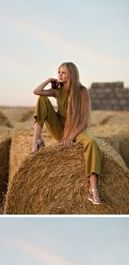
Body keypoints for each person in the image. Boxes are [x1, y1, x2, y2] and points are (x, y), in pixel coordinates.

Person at [31, 62, 102, 205]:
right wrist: (49, 81)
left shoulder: (82, 91)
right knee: (42, 99)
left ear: (71, 74)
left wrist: (71, 136)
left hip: (77, 129)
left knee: (92, 143)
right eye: (58, 72)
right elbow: (37, 91)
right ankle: (36, 140)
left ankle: (93, 188)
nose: (59, 75)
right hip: (60, 129)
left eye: (63, 72)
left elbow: (83, 120)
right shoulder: (58, 90)